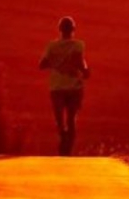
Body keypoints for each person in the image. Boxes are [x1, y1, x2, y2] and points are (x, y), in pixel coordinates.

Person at [39, 16, 91, 156]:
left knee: (59, 120)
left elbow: (42, 65)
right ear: (73, 30)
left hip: (56, 87)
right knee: (71, 119)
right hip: (74, 87)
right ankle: (68, 151)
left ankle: (63, 138)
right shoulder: (78, 45)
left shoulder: (52, 46)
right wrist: (85, 71)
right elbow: (80, 62)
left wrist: (56, 64)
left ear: (59, 29)